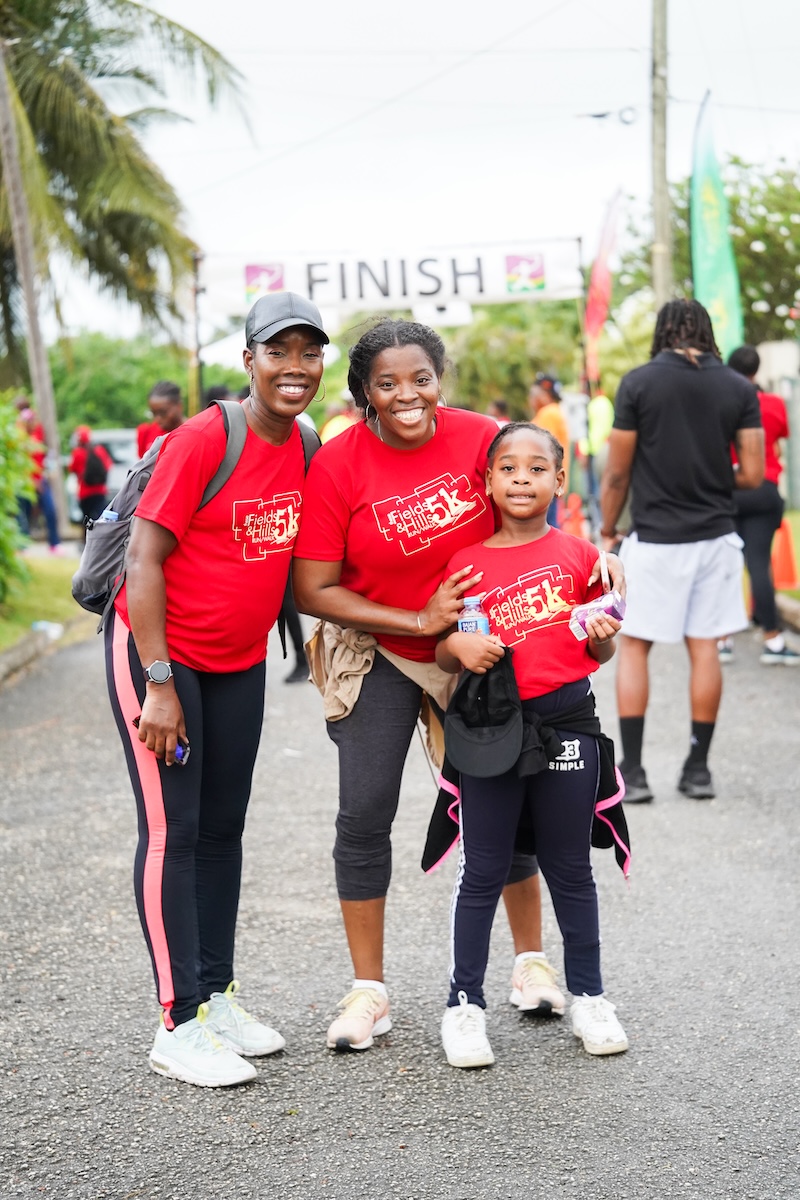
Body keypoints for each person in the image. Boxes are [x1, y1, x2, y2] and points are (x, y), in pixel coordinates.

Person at [293, 319, 622, 1053]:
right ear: (366, 393)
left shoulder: (480, 436)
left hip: (480, 649)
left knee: (511, 787)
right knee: (366, 808)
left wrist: (595, 563)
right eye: (387, 383)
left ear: (441, 378)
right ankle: (368, 991)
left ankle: (530, 963)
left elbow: (536, 495)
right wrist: (415, 616)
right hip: (381, 643)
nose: (406, 395)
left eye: (421, 379)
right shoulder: (341, 461)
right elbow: (313, 587)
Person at [105, 292, 328, 1088]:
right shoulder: (206, 437)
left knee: (224, 830)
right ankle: (176, 1021)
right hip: (162, 657)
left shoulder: (304, 443)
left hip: (239, 662)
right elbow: (143, 557)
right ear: (250, 361)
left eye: (309, 353)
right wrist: (159, 681)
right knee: (175, 828)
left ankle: (216, 996)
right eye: (279, 352)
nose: (295, 368)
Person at [436, 421, 629, 1067]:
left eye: (537, 468)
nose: (522, 479)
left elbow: (597, 647)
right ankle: (464, 1006)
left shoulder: (581, 558)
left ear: (559, 478)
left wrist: (603, 631)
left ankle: (591, 997)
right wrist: (455, 645)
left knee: (570, 866)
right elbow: (442, 645)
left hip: (568, 725)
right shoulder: (464, 563)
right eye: (509, 468)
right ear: (487, 480)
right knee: (483, 867)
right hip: (491, 731)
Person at [600, 300, 765, 804]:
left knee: (634, 648)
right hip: (715, 540)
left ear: (663, 331)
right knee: (704, 648)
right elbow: (753, 474)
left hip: (654, 540)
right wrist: (714, 480)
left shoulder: (639, 383)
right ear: (706, 331)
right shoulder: (738, 388)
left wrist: (608, 528)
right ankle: (698, 770)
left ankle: (635, 770)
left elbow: (617, 472)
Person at [721, 346, 797, 666]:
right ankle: (773, 640)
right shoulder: (773, 403)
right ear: (757, 369)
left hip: (726, 490)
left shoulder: (720, 403)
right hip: (763, 488)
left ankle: (723, 641)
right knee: (759, 563)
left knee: (725, 566)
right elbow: (777, 444)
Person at [17, 405, 62, 552]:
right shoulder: (19, 438)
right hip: (25, 481)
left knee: (50, 510)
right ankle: (22, 546)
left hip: (40, 480)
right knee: (22, 513)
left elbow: (45, 455)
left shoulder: (38, 434)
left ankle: (54, 544)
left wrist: (47, 473)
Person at [529, 373, 570, 526]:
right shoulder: (552, 412)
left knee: (546, 528)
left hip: (545, 482)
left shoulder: (549, 413)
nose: (531, 399)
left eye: (533, 393)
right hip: (550, 480)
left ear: (542, 394)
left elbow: (543, 449)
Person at [68, 425, 112, 527]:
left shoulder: (77, 453)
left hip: (85, 492)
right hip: (100, 491)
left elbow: (72, 469)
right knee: (101, 518)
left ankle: (87, 540)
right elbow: (108, 466)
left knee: (86, 519)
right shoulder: (100, 450)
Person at [136, 380, 186, 457]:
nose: (157, 419)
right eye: (154, 413)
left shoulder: (193, 432)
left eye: (163, 413)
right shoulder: (146, 432)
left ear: (179, 406)